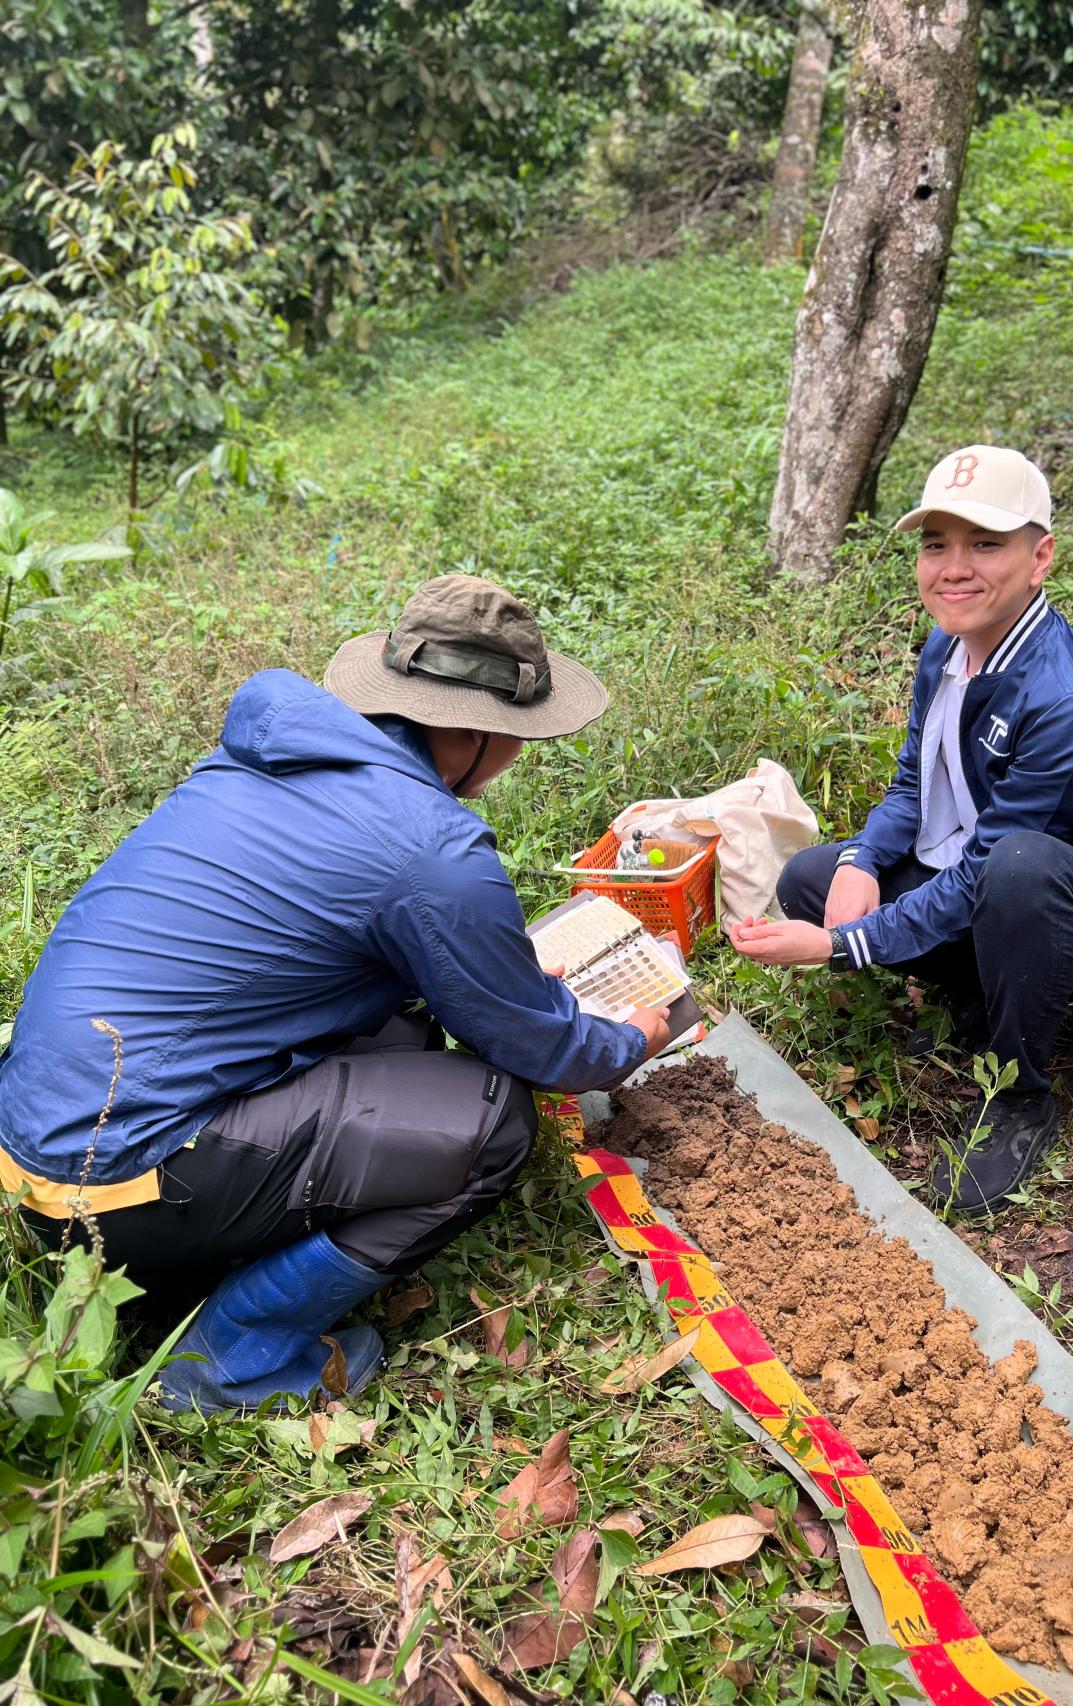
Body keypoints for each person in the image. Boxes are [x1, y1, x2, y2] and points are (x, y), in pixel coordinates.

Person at [0, 575, 670, 1410]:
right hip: (111, 1186)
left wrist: (511, 985)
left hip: (34, 1141)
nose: (518, 755)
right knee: (490, 1121)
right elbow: (547, 1052)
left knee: (407, 1031)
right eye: (515, 736)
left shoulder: (262, 759)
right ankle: (227, 1362)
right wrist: (631, 1037)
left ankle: (205, 1247)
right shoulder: (431, 850)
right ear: (467, 732)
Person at [730, 447, 1073, 1214]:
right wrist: (861, 858)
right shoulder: (949, 647)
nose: (954, 568)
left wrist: (842, 946)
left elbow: (991, 865)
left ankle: (1020, 1095)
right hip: (1011, 875)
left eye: (985, 544)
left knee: (1019, 869)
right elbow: (915, 778)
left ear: (1039, 557)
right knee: (812, 879)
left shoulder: (1068, 704)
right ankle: (985, 991)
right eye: (935, 544)